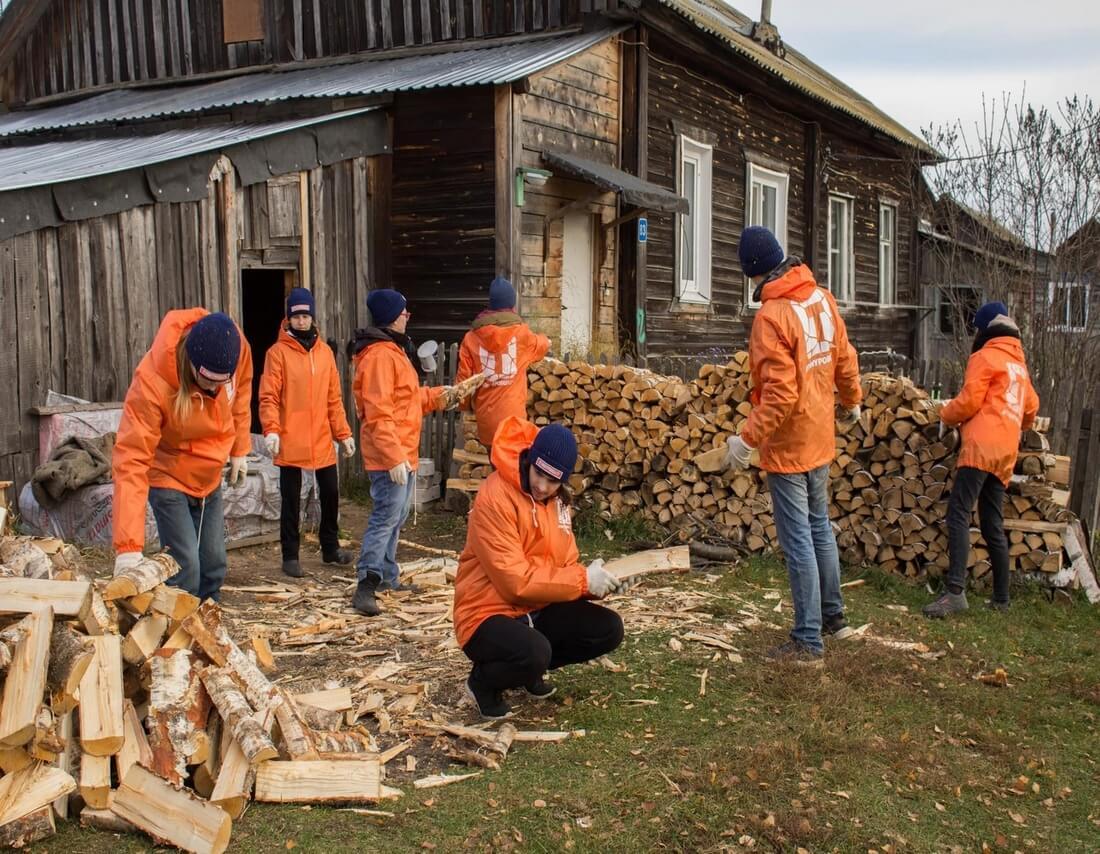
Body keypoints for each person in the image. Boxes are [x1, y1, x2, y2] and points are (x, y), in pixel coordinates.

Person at [724, 226, 862, 666]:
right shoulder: (822, 297)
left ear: (750, 271)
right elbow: (844, 357)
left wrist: (746, 440)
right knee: (820, 527)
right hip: (820, 434)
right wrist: (852, 400)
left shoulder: (771, 317)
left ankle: (807, 640)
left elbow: (780, 394)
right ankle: (833, 619)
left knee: (800, 538)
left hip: (788, 444)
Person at [452, 416, 625, 719]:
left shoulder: (558, 503)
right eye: (539, 473)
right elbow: (514, 583)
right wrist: (583, 581)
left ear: (563, 480)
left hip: (536, 607)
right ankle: (482, 684)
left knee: (608, 629)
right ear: (530, 460)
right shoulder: (495, 497)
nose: (542, 486)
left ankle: (527, 670)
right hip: (485, 613)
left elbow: (566, 564)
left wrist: (602, 585)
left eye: (553, 480)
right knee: (534, 652)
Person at [113, 309, 252, 602]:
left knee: (213, 565)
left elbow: (241, 395)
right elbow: (132, 459)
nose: (214, 388)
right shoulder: (152, 383)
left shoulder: (236, 346)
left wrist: (240, 447)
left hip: (210, 474)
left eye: (221, 382)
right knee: (186, 565)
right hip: (169, 474)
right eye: (207, 379)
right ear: (190, 360)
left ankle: (208, 617)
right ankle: (175, 617)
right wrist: (128, 547)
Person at [350, 288, 471, 616]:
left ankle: (387, 577)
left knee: (397, 517)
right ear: (392, 316)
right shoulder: (379, 356)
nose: (408, 316)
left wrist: (440, 396)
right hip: (390, 456)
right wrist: (393, 458)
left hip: (403, 452)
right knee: (385, 516)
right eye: (404, 312)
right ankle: (366, 583)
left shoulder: (394, 351)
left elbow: (408, 399)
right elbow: (378, 412)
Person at [923, 302, 1039, 618]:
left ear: (985, 329)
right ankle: (1001, 598)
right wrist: (1013, 425)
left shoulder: (985, 357)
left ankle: (955, 593)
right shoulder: (1019, 365)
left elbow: (969, 401)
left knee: (958, 513)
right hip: (1005, 451)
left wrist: (945, 415)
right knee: (992, 522)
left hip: (980, 447)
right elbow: (1031, 408)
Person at [259, 288, 356, 578]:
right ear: (288, 318)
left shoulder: (325, 353)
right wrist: (271, 429)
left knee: (331, 494)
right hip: (290, 437)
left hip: (321, 438)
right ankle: (290, 555)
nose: (301, 321)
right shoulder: (277, 353)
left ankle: (330, 548)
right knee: (291, 499)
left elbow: (333, 399)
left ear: (312, 317)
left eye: (305, 315)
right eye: (296, 316)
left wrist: (343, 433)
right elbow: (269, 396)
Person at [455, 276, 551, 451]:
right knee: (512, 466)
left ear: (491, 305)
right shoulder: (521, 334)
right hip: (514, 421)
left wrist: (465, 405)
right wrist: (547, 340)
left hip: (487, 423)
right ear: (512, 305)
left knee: (495, 463)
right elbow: (540, 345)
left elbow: (463, 381)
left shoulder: (471, 338)